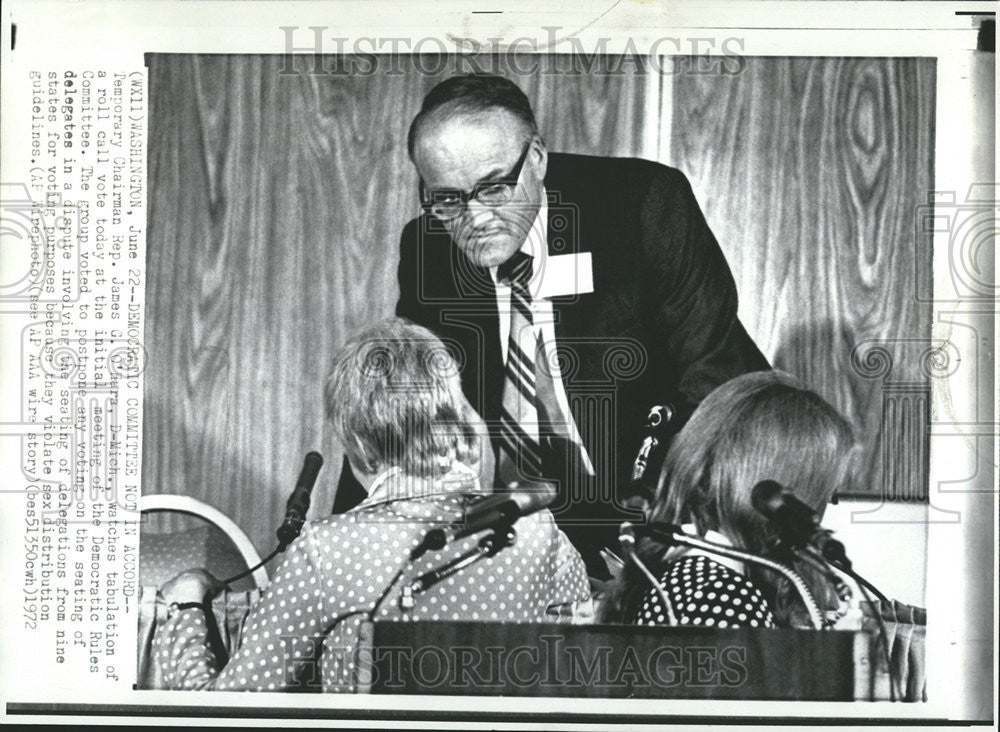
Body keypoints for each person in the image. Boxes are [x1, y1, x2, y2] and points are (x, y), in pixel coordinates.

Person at [336, 73, 770, 577]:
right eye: (448, 198)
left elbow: (714, 385)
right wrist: (349, 547)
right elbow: (403, 407)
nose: (475, 218)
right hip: (516, 539)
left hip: (651, 512)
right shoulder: (429, 249)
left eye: (494, 188)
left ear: (536, 159)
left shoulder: (641, 206)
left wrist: (658, 532)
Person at [154, 317, 591, 692]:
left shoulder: (327, 551)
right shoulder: (542, 533)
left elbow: (229, 712)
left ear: (359, 446)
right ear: (455, 415)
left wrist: (186, 607)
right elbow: (579, 675)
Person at [600, 370, 857, 629]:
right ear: (776, 498)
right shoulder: (721, 595)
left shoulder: (696, 577)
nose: (822, 509)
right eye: (825, 494)